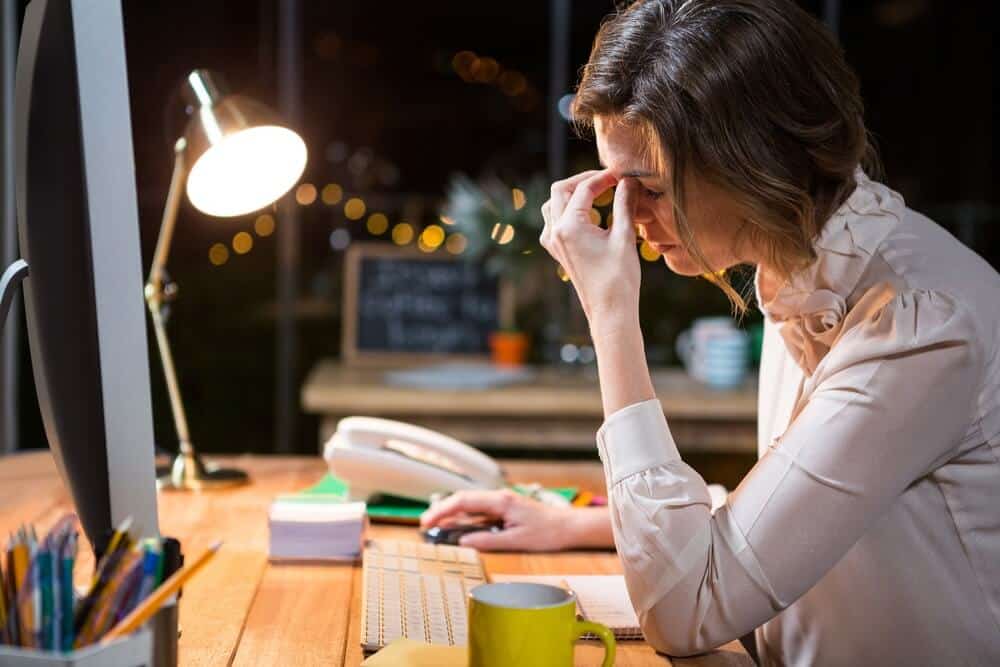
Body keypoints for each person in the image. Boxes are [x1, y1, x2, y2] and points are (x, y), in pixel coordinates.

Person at [421, 0, 1000, 664]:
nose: (630, 217)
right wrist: (575, 524)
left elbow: (685, 611)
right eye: (619, 187)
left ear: (756, 161)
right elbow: (795, 502)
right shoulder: (804, 271)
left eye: (652, 189)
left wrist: (612, 315)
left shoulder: (920, 325)